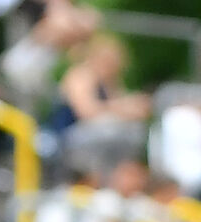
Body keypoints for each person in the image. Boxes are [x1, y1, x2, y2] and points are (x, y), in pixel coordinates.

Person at [47, 33, 151, 170]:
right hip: (68, 137)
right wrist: (122, 106)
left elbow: (118, 108)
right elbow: (86, 111)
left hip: (94, 137)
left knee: (135, 130)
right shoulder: (81, 76)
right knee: (113, 130)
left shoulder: (109, 81)